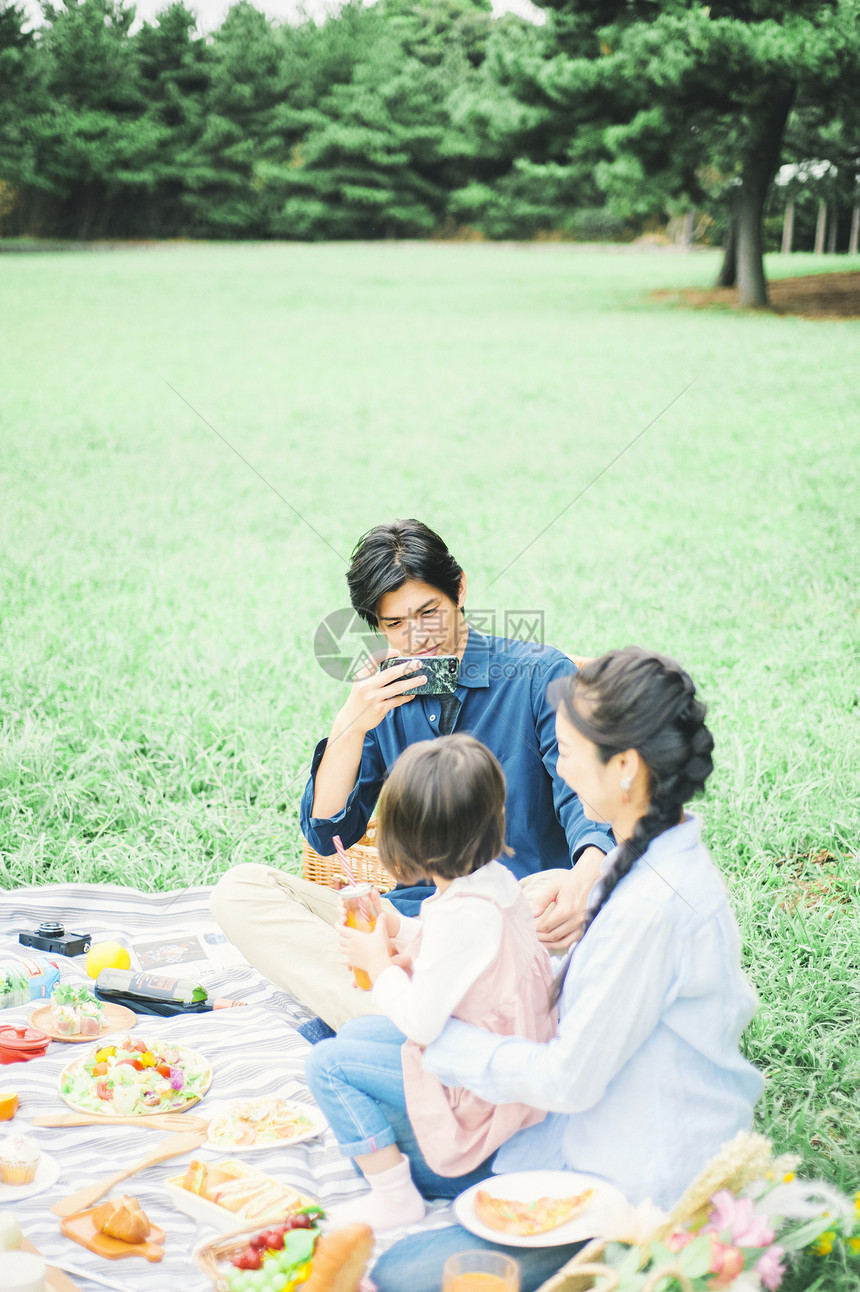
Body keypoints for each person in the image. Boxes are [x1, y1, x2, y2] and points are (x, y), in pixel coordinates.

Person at [369, 646, 764, 1292]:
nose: (562, 766)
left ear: (627, 769)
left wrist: (441, 1042)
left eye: (571, 751)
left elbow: (569, 1079)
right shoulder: (647, 854)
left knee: (399, 1273)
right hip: (574, 1123)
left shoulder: (656, 906)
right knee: (379, 1076)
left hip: (634, 1177)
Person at [210, 519, 611, 1031]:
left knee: (565, 910)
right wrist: (350, 725)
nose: (416, 637)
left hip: (515, 917)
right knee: (240, 891)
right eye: (395, 624)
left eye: (429, 612)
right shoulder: (386, 695)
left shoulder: (538, 673)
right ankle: (406, 1023)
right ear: (376, 627)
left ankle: (391, 1021)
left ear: (460, 588)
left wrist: (587, 873)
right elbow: (331, 834)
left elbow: (586, 799)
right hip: (415, 924)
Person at [305, 734, 556, 1231]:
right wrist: (397, 929)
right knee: (354, 1037)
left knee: (327, 1064)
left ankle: (395, 1194)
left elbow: (420, 1021)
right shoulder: (490, 883)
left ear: (407, 840)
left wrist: (378, 965)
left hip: (486, 1108)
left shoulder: (464, 914)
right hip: (499, 1064)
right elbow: (459, 953)